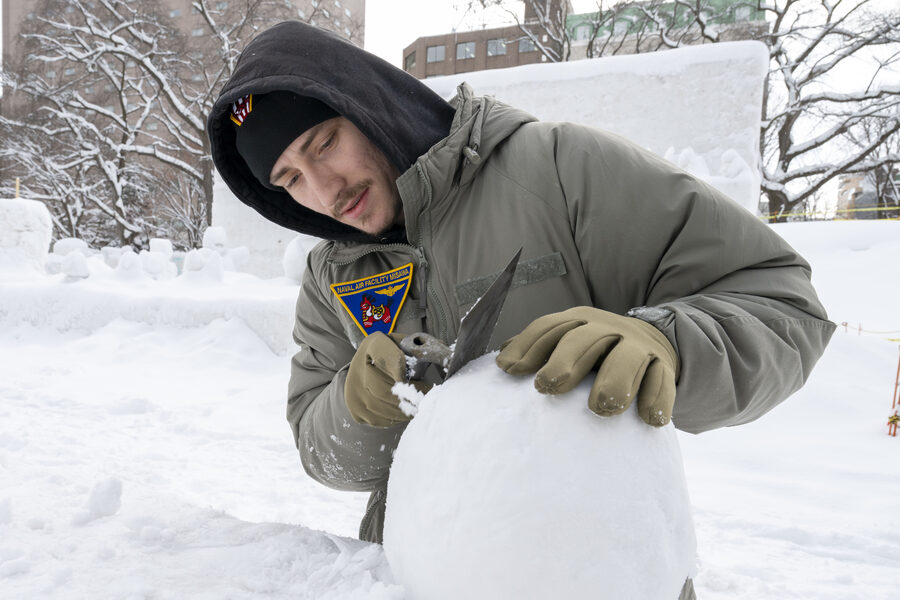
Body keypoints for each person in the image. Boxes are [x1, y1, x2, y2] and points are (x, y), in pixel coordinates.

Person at [208, 19, 833, 569]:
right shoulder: (330, 277)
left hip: (599, 575)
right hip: (414, 575)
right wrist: (357, 406)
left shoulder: (557, 169)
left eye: (324, 144)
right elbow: (323, 454)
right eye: (289, 178)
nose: (322, 189)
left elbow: (782, 304)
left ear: (371, 106)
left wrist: (666, 345)